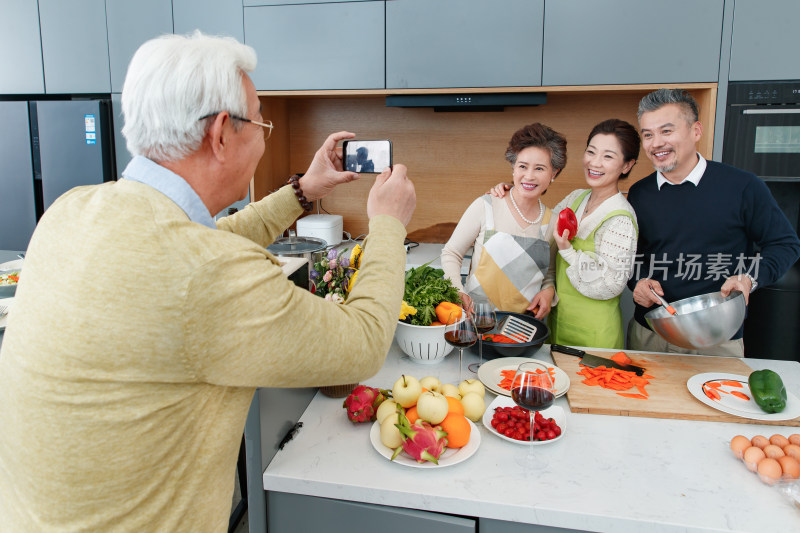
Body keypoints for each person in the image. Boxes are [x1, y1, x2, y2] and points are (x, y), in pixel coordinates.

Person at [0, 32, 415, 532]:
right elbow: (363, 341)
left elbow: (202, 242)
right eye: (262, 120)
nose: (264, 134)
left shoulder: (72, 210)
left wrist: (302, 191)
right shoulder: (206, 274)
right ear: (221, 133)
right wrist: (390, 224)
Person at [627, 88, 800, 356]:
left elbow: (785, 244)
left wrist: (749, 280)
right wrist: (636, 283)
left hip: (717, 338)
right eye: (647, 134)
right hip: (651, 335)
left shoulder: (743, 187)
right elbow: (630, 257)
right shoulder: (639, 194)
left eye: (667, 131)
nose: (656, 143)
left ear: (696, 131)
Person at [492, 119, 641, 348]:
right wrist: (514, 193)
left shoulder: (620, 219)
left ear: (627, 166)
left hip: (594, 334)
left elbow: (611, 284)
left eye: (608, 156)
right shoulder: (576, 198)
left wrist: (567, 251)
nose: (595, 162)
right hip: (557, 323)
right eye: (591, 152)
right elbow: (540, 223)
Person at [440, 123, 563, 317]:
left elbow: (549, 273)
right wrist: (458, 291)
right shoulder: (486, 205)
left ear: (553, 173)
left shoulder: (553, 222)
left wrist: (548, 291)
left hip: (522, 326)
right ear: (513, 167)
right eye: (523, 166)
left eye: (539, 168)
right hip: (476, 319)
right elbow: (451, 253)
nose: (529, 176)